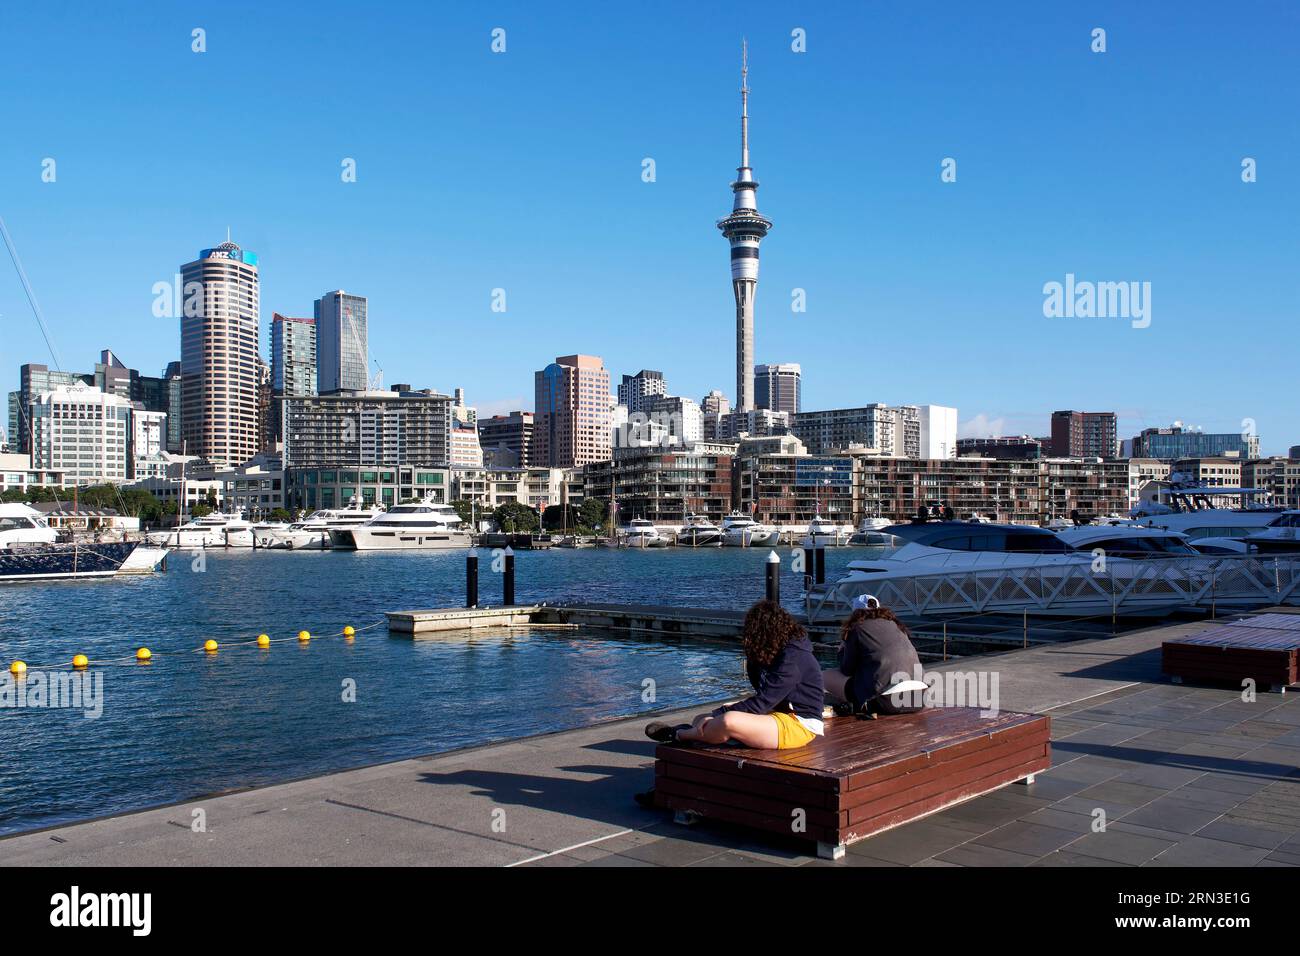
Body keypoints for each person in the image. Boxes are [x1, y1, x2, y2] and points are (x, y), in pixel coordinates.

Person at [644, 600, 825, 749]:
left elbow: (763, 701)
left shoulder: (793, 657)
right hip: (778, 713)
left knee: (728, 720)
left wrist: (718, 714)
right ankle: (705, 734)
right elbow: (762, 693)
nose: (747, 637)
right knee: (701, 718)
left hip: (800, 723)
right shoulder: (769, 652)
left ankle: (679, 734)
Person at [823, 594, 925, 716]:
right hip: (918, 698)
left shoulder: (857, 628)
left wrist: (841, 651)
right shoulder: (895, 625)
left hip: (887, 702)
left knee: (823, 676)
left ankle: (849, 705)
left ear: (856, 612)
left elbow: (846, 669)